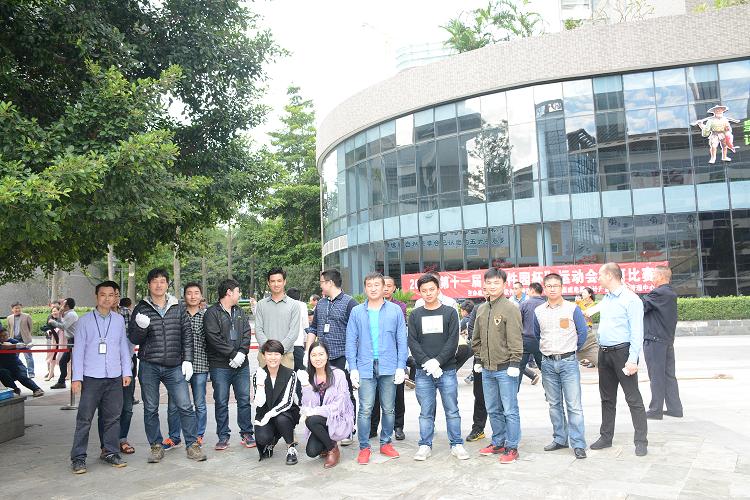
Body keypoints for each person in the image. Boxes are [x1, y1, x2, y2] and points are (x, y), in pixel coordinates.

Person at [128, 268, 206, 463]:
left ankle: (192, 445)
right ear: (149, 284)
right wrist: (141, 328)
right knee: (150, 408)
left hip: (174, 365)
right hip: (149, 365)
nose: (159, 285)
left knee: (185, 406)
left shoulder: (177, 307)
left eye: (162, 281)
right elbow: (134, 338)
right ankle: (156, 446)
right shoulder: (141, 308)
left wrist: (187, 359)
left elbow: (186, 334)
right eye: (155, 281)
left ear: (167, 284)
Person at [69, 281, 132, 474]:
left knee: (113, 418)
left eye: (111, 295)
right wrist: (76, 378)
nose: (107, 298)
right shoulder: (84, 321)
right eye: (103, 295)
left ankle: (110, 452)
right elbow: (78, 351)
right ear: (96, 297)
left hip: (114, 376)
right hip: (91, 377)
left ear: (115, 298)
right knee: (84, 419)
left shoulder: (118, 320)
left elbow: (123, 347)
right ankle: (78, 457)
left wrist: (127, 371)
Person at [346, 272, 407, 465]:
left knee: (389, 408)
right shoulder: (357, 311)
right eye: (369, 285)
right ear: (365, 288)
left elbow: (401, 340)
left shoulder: (395, 311)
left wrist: (401, 366)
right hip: (364, 365)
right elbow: (350, 340)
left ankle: (386, 443)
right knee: (365, 409)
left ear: (384, 287)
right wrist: (353, 367)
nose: (373, 288)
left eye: (376, 285)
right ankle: (364, 447)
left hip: (389, 365)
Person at [588, 263, 648, 457]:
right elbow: (592, 313)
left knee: (633, 398)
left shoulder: (631, 300)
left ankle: (641, 441)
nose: (598, 279)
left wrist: (633, 359)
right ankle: (606, 437)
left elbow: (637, 332)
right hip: (604, 353)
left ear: (610, 276)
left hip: (622, 354)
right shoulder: (606, 298)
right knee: (607, 398)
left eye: (600, 275)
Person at [408, 273, 469, 461]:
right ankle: (425, 445)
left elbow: (452, 340)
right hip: (423, 371)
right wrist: (427, 362)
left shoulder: (449, 312)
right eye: (424, 290)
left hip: (447, 370)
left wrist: (438, 361)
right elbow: (413, 341)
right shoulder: (415, 314)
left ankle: (456, 444)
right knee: (426, 411)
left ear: (438, 290)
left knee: (452, 409)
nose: (428, 293)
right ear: (419, 292)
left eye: (431, 289)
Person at [533, 273, 589, 459]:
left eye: (555, 285)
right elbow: (537, 334)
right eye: (548, 286)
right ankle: (560, 438)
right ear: (544, 288)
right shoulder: (539, 311)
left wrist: (571, 349)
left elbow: (582, 333)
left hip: (568, 363)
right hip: (547, 363)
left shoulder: (572, 309)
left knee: (574, 405)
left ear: (562, 287)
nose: (552, 289)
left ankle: (578, 443)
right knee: (554, 404)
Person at [471, 268, 523, 464]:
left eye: (496, 283)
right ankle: (498, 442)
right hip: (486, 369)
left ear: (504, 285)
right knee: (492, 408)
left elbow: (516, 339)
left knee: (510, 410)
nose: (492, 286)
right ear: (484, 284)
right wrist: (478, 359)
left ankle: (512, 446)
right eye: (489, 283)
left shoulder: (510, 308)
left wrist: (515, 362)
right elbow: (476, 338)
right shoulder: (482, 309)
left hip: (506, 369)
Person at [307, 268, 358, 444]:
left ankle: (348, 429)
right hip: (323, 358)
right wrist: (308, 351)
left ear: (330, 283)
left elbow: (356, 331)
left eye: (322, 282)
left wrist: (353, 358)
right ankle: (328, 426)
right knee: (324, 393)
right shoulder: (321, 304)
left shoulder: (350, 303)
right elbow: (313, 328)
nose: (320, 285)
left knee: (345, 394)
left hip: (342, 355)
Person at [203, 278, 254, 451]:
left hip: (241, 365)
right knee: (221, 401)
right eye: (238, 291)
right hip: (220, 366)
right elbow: (213, 338)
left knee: (244, 400)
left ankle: (247, 432)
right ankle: (223, 436)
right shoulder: (212, 313)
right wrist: (232, 354)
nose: (239, 294)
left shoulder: (239, 311)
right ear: (229, 292)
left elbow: (246, 333)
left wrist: (242, 353)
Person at [162, 282, 210, 449]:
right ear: (184, 296)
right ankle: (174, 437)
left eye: (196, 293)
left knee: (200, 403)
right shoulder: (177, 315)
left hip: (201, 365)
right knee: (174, 404)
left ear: (201, 296)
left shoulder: (207, 317)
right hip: (177, 366)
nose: (193, 296)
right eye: (189, 293)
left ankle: (198, 435)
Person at [299, 340, 354, 468]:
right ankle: (328, 442)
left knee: (311, 420)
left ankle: (332, 449)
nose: (317, 358)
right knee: (311, 452)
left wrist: (316, 411)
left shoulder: (338, 374)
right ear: (309, 358)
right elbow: (307, 405)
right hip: (320, 420)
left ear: (327, 355)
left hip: (337, 418)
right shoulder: (308, 376)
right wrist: (306, 385)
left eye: (321, 354)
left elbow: (339, 405)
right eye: (313, 355)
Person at [97, 283, 138, 456]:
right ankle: (106, 445)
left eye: (115, 294)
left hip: (126, 364)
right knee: (105, 409)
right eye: (107, 294)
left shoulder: (127, 313)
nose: (111, 298)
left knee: (126, 407)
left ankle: (122, 439)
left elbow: (134, 337)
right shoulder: (95, 317)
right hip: (103, 367)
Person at [370, 275, 408, 441]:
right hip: (373, 358)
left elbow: (401, 336)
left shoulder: (399, 307)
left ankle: (398, 426)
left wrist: (401, 362)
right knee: (374, 395)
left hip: (394, 358)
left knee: (397, 395)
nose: (385, 288)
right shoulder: (368, 307)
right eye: (382, 285)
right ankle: (373, 427)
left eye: (389, 286)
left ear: (394, 288)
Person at [642, 266, 683, 420]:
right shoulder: (670, 292)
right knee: (668, 375)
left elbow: (641, 306)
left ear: (660, 276)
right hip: (666, 340)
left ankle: (655, 410)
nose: (651, 278)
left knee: (656, 376)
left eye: (653, 275)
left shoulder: (659, 293)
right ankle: (675, 408)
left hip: (655, 340)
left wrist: (630, 293)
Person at [253, 339, 301, 464]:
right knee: (263, 439)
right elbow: (259, 403)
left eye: (276, 354)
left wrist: (269, 415)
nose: (273, 357)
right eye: (269, 354)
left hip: (286, 412)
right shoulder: (258, 374)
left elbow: (287, 402)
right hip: (265, 411)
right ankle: (273, 440)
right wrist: (260, 384)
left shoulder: (291, 374)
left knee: (281, 419)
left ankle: (291, 447)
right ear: (263, 356)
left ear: (281, 356)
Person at [255, 268, 300, 370]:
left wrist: (278, 351)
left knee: (286, 381)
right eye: (273, 281)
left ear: (284, 282)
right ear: (268, 283)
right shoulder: (261, 304)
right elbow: (258, 330)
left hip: (286, 356)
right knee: (264, 381)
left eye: (279, 281)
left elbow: (293, 332)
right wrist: (268, 351)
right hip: (265, 356)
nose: (276, 284)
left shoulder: (294, 305)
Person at [465, 295, 488, 443]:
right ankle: (478, 428)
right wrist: (480, 353)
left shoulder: (509, 308)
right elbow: (472, 331)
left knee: (503, 398)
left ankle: (504, 433)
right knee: (480, 395)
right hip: (481, 358)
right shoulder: (478, 309)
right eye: (487, 286)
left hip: (502, 360)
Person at [0, 325, 44, 396]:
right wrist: (15, 345)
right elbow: (3, 347)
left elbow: (23, 347)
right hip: (4, 367)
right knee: (2, 373)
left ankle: (37, 389)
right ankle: (14, 390)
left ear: (8, 334)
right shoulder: (5, 344)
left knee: (21, 376)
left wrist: (27, 346)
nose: (2, 338)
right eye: (0, 336)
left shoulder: (13, 341)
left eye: (4, 335)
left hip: (17, 366)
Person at [518, 282, 545, 390]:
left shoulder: (524, 304)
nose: (527, 292)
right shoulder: (545, 304)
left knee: (519, 368)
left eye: (528, 290)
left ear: (532, 290)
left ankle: (513, 394)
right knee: (545, 369)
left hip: (526, 340)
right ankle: (550, 394)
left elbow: (518, 322)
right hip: (541, 341)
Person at [50, 298, 79, 390]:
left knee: (65, 361)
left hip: (75, 341)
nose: (61, 305)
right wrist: (59, 314)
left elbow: (63, 326)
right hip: (71, 340)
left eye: (63, 304)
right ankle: (62, 381)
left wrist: (52, 322)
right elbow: (61, 323)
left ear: (67, 306)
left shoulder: (71, 315)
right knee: (63, 361)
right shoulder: (67, 314)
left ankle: (63, 381)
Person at [7, 302, 34, 378]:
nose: (17, 309)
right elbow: (9, 329)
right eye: (16, 308)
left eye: (19, 308)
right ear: (12, 309)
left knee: (28, 357)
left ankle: (31, 373)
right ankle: (15, 372)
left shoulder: (27, 316)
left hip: (25, 340)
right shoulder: (9, 318)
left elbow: (30, 327)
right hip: (14, 340)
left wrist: (27, 336)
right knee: (14, 357)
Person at [286, 287, 310, 372]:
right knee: (301, 371)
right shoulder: (302, 305)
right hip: (298, 343)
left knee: (286, 371)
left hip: (285, 344)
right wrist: (306, 341)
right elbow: (305, 325)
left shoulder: (283, 305)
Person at [42, 306, 62, 381]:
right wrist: (48, 331)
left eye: (55, 311)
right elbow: (45, 327)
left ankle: (68, 374)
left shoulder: (62, 319)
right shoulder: (51, 320)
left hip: (63, 342)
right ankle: (50, 374)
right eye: (53, 311)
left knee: (65, 359)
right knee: (52, 358)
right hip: (55, 342)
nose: (54, 313)